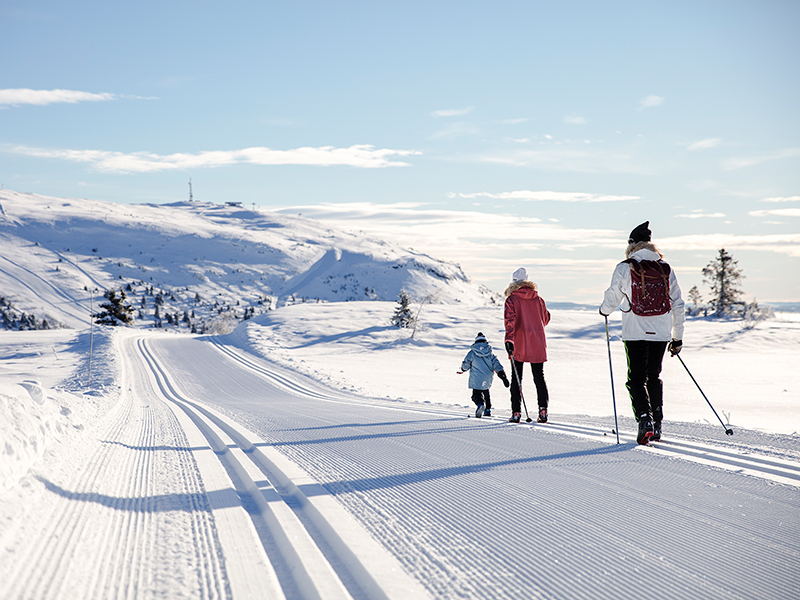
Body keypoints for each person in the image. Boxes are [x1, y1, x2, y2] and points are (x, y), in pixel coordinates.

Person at [599, 221, 685, 444]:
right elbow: (678, 303)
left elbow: (612, 296)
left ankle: (644, 419)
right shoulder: (665, 268)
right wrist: (678, 337)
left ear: (632, 245)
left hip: (635, 329)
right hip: (662, 331)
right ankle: (657, 423)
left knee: (636, 379)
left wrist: (604, 310)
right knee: (653, 376)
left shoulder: (625, 266)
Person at [504, 268, 551, 423]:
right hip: (537, 342)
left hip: (519, 342)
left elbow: (510, 323)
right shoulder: (539, 299)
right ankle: (543, 411)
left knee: (517, 378)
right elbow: (546, 319)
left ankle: (516, 413)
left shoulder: (511, 300)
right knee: (539, 377)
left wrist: (509, 341)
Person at [459, 332, 509, 418]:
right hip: (487, 377)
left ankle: (480, 404)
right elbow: (496, 365)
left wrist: (463, 369)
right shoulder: (490, 354)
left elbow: (466, 364)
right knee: (486, 392)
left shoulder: (472, 353)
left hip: (476, 378)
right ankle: (487, 410)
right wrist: (502, 375)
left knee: (475, 395)